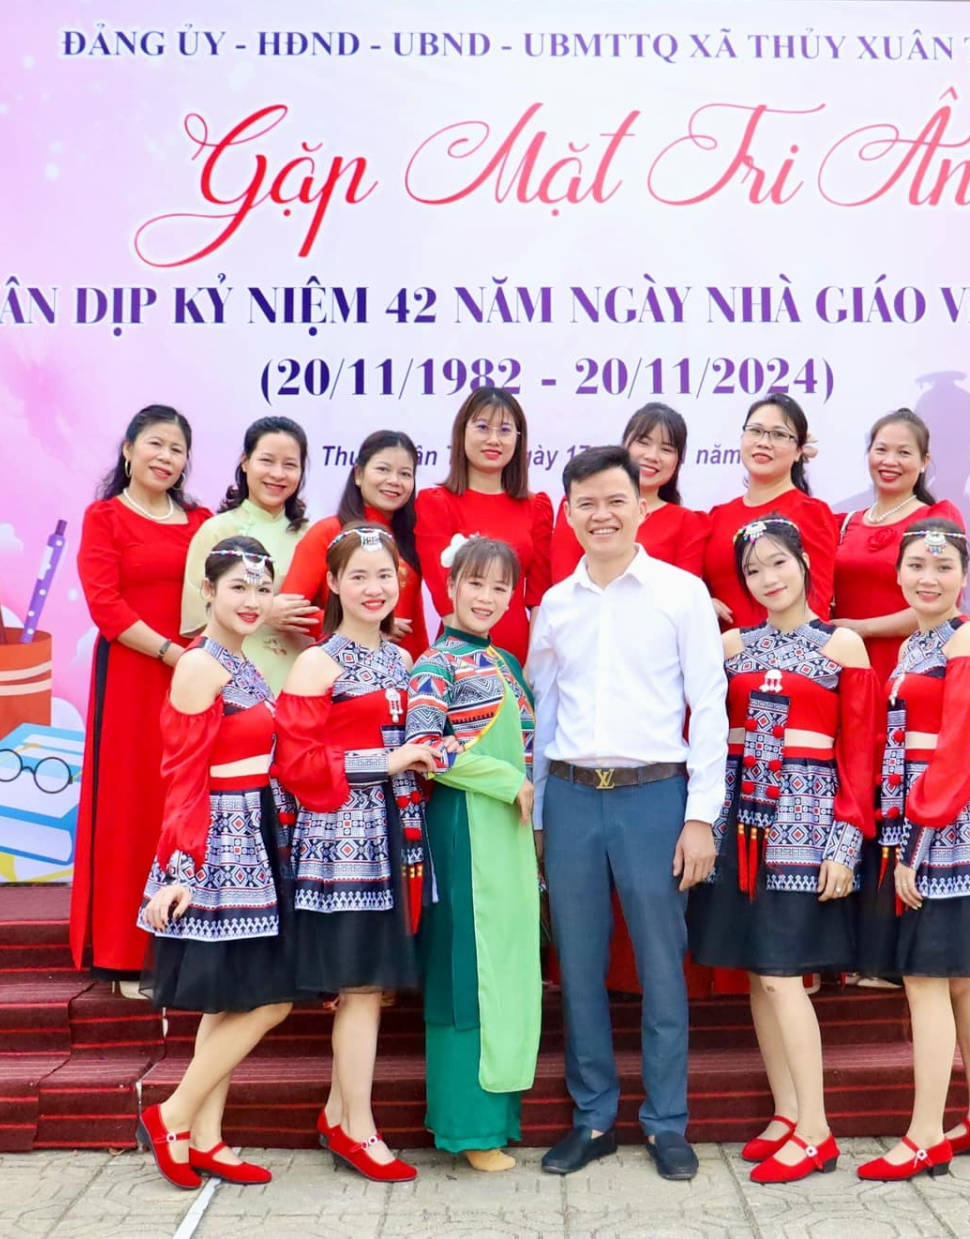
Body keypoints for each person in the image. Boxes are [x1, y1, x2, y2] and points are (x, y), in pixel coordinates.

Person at [529, 446, 727, 1183]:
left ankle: (667, 1121)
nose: (602, 514)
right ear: (569, 513)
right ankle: (593, 1116)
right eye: (586, 502)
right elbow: (546, 710)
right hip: (573, 797)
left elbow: (709, 706)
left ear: (642, 505)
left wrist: (701, 816)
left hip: (655, 796)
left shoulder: (680, 592)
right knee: (578, 963)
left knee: (660, 963)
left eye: (616, 499)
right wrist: (541, 817)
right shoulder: (557, 604)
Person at [687, 516, 878, 1184]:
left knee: (781, 973)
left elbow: (860, 754)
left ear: (803, 563)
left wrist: (846, 844)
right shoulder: (732, 646)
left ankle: (818, 1131)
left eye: (778, 563)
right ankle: (788, 1112)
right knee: (758, 977)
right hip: (740, 828)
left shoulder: (843, 646)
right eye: (753, 570)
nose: (768, 578)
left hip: (807, 827)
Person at [857, 519, 970, 1182]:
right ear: (899, 573)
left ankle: (925, 1134)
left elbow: (962, 748)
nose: (928, 578)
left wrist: (916, 843)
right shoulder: (915, 642)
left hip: (948, 825)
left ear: (964, 577)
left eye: (943, 567)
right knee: (961, 976)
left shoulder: (969, 638)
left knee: (928, 976)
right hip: (922, 815)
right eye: (916, 566)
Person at [273, 523, 440, 1184]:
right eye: (359, 576)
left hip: (398, 837)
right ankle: (358, 1129)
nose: (375, 588)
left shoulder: (403, 659)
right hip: (342, 847)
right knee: (361, 989)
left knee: (368, 989)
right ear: (334, 584)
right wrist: (389, 761)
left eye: (385, 576)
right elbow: (296, 763)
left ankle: (340, 1114)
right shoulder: (317, 662)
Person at [136, 537, 302, 1191]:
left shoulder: (242, 661)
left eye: (262, 588)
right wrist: (180, 870)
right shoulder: (201, 666)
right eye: (238, 587)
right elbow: (182, 775)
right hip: (218, 845)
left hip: (252, 836)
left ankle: (204, 1137)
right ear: (208, 591)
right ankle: (172, 1114)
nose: (252, 600)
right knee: (271, 1000)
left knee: (228, 1002)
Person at [405, 537, 541, 1173]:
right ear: (451, 586)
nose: (487, 597)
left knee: (507, 968)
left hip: (509, 831)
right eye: (476, 583)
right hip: (464, 827)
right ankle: (467, 1127)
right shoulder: (435, 664)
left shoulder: (506, 662)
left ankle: (498, 1118)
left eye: (500, 587)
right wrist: (505, 779)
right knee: (469, 971)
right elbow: (423, 748)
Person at [72, 404, 211, 988]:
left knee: (185, 804)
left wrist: (197, 658)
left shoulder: (201, 521)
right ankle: (125, 953)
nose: (166, 457)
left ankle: (189, 950)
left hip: (196, 678)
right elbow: (105, 605)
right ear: (128, 450)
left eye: (177, 449)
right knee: (132, 805)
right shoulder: (105, 518)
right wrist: (170, 653)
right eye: (155, 444)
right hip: (134, 675)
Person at [181, 416, 320, 693]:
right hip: (231, 677)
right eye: (267, 461)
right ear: (245, 462)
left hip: (300, 679)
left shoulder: (312, 535)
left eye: (290, 465)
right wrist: (265, 611)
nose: (278, 474)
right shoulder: (217, 531)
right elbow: (196, 618)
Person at [415, 387, 553, 663]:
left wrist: (531, 666)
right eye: (482, 427)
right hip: (459, 653)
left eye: (505, 430)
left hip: (518, 654)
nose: (493, 439)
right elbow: (443, 592)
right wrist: (477, 663)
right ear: (462, 432)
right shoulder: (436, 503)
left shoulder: (536, 507)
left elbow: (539, 597)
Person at [833, 409, 967, 683]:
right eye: (881, 450)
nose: (890, 461)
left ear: (924, 462)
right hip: (844, 665)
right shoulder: (842, 524)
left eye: (904, 453)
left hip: (908, 666)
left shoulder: (935, 519)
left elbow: (942, 604)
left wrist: (864, 628)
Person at [285, 430, 429, 661]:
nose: (394, 481)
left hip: (401, 668)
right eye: (383, 469)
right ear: (359, 474)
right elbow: (292, 614)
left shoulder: (410, 537)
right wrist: (368, 625)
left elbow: (416, 623)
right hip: (340, 665)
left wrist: (423, 668)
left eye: (405, 473)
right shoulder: (326, 532)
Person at [702, 398, 837, 630]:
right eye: (755, 431)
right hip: (721, 649)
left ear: (799, 451)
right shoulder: (717, 516)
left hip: (786, 649)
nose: (764, 442)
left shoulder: (811, 512)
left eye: (779, 435)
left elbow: (816, 600)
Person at [552, 403, 708, 578]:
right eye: (643, 442)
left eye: (666, 449)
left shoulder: (687, 523)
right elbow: (564, 579)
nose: (652, 456)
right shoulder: (583, 504)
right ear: (625, 444)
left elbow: (685, 588)